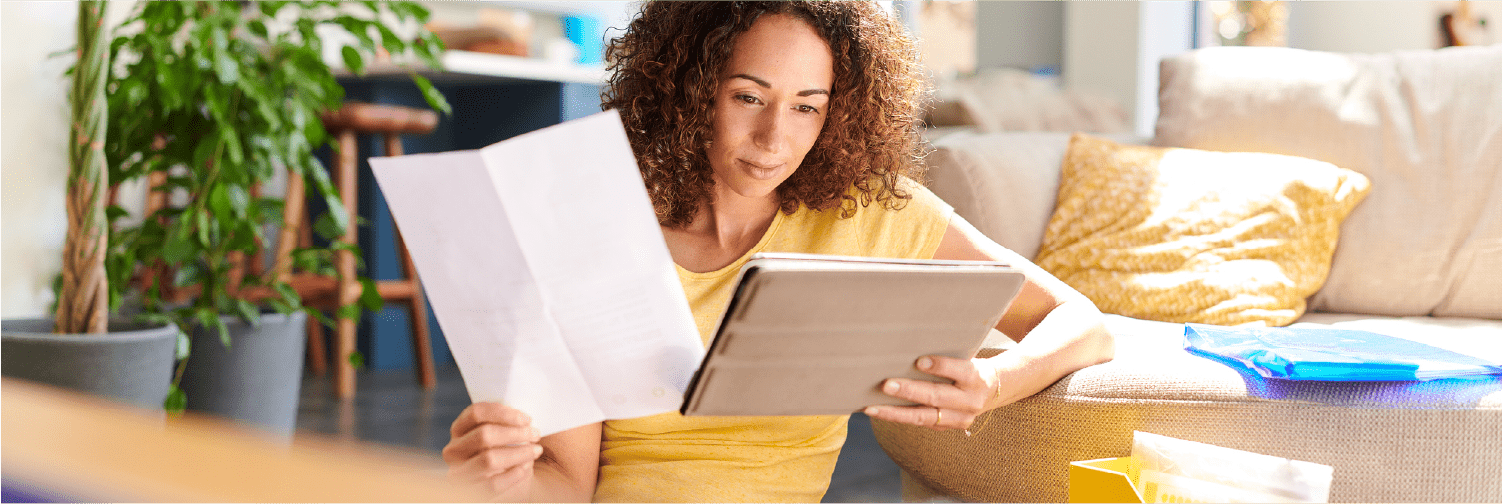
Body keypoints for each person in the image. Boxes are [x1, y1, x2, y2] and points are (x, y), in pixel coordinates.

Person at [442, 2, 1114, 502]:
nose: (772, 138)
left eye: (806, 108)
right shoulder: (595, 225)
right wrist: (500, 477)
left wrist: (994, 383)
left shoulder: (872, 212)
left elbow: (1081, 322)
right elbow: (567, 482)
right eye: (748, 97)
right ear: (690, 88)